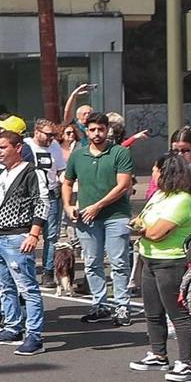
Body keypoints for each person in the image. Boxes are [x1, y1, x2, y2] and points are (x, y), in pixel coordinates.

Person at [0, 127, 47, 355]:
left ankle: (34, 335)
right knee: (4, 286)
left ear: (18, 148)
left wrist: (34, 234)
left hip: (18, 236)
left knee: (27, 288)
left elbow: (42, 204)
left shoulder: (32, 173)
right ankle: (12, 326)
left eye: (4, 147)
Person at [129, 155, 191, 382]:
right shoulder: (159, 195)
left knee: (177, 314)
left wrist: (143, 229)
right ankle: (158, 354)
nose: (153, 175)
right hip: (149, 258)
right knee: (152, 310)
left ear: (164, 172)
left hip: (171, 261)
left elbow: (156, 233)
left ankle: (187, 362)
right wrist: (142, 228)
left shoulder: (183, 199)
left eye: (155, 171)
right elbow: (141, 221)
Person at [62, 113, 136, 325]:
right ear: (86, 130)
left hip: (116, 216)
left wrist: (98, 206)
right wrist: (68, 205)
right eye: (93, 129)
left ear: (107, 130)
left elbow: (122, 186)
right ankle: (100, 304)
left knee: (118, 262)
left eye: (101, 129)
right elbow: (67, 182)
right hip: (87, 218)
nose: (97, 133)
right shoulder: (78, 155)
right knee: (92, 262)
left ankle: (122, 306)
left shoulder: (119, 152)